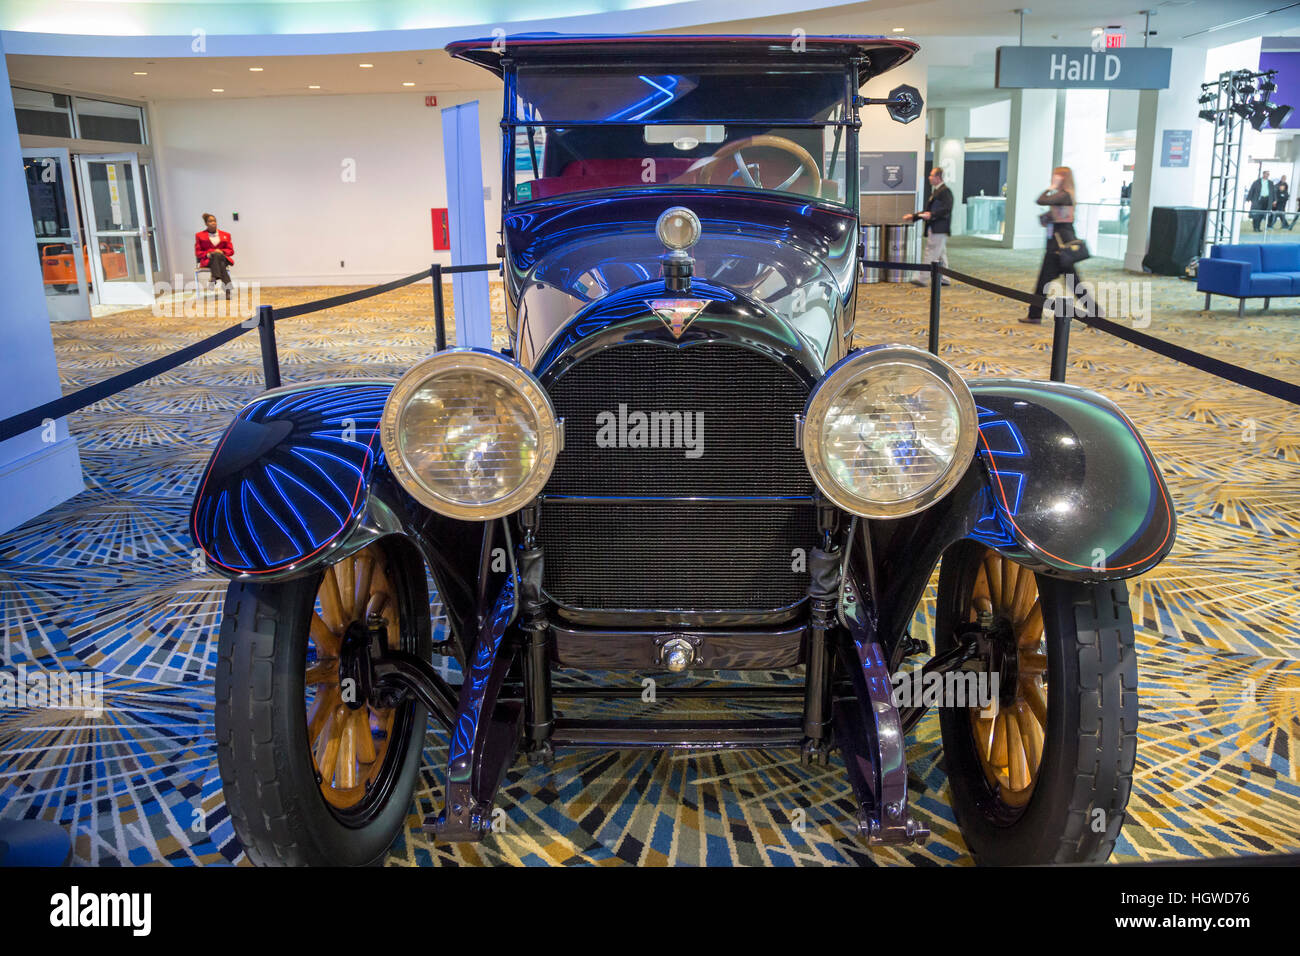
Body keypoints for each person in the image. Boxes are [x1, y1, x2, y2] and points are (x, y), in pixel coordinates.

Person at [1022, 166, 1093, 325]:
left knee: (1051, 282)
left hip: (1059, 245)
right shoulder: (1063, 196)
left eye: (1057, 176)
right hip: (1056, 242)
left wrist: (1050, 188)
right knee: (1070, 282)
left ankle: (1034, 314)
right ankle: (1034, 314)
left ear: (1064, 178)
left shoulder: (1064, 195)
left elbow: (1040, 200)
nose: (1054, 178)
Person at [903, 167, 953, 286]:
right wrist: (914, 216)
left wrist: (932, 215)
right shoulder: (937, 191)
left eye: (931, 175)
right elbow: (928, 211)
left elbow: (946, 209)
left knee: (930, 251)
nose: (929, 178)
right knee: (940, 253)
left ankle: (922, 278)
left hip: (939, 228)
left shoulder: (945, 191)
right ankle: (945, 278)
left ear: (938, 177)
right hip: (935, 228)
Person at [195, 212, 235, 298]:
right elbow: (198, 253)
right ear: (206, 223)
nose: (213, 222)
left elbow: (231, 251)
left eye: (214, 221)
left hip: (222, 257)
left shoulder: (226, 235)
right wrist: (208, 254)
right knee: (220, 262)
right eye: (210, 221)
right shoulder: (200, 235)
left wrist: (222, 251)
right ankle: (227, 290)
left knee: (218, 255)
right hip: (209, 260)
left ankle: (214, 277)